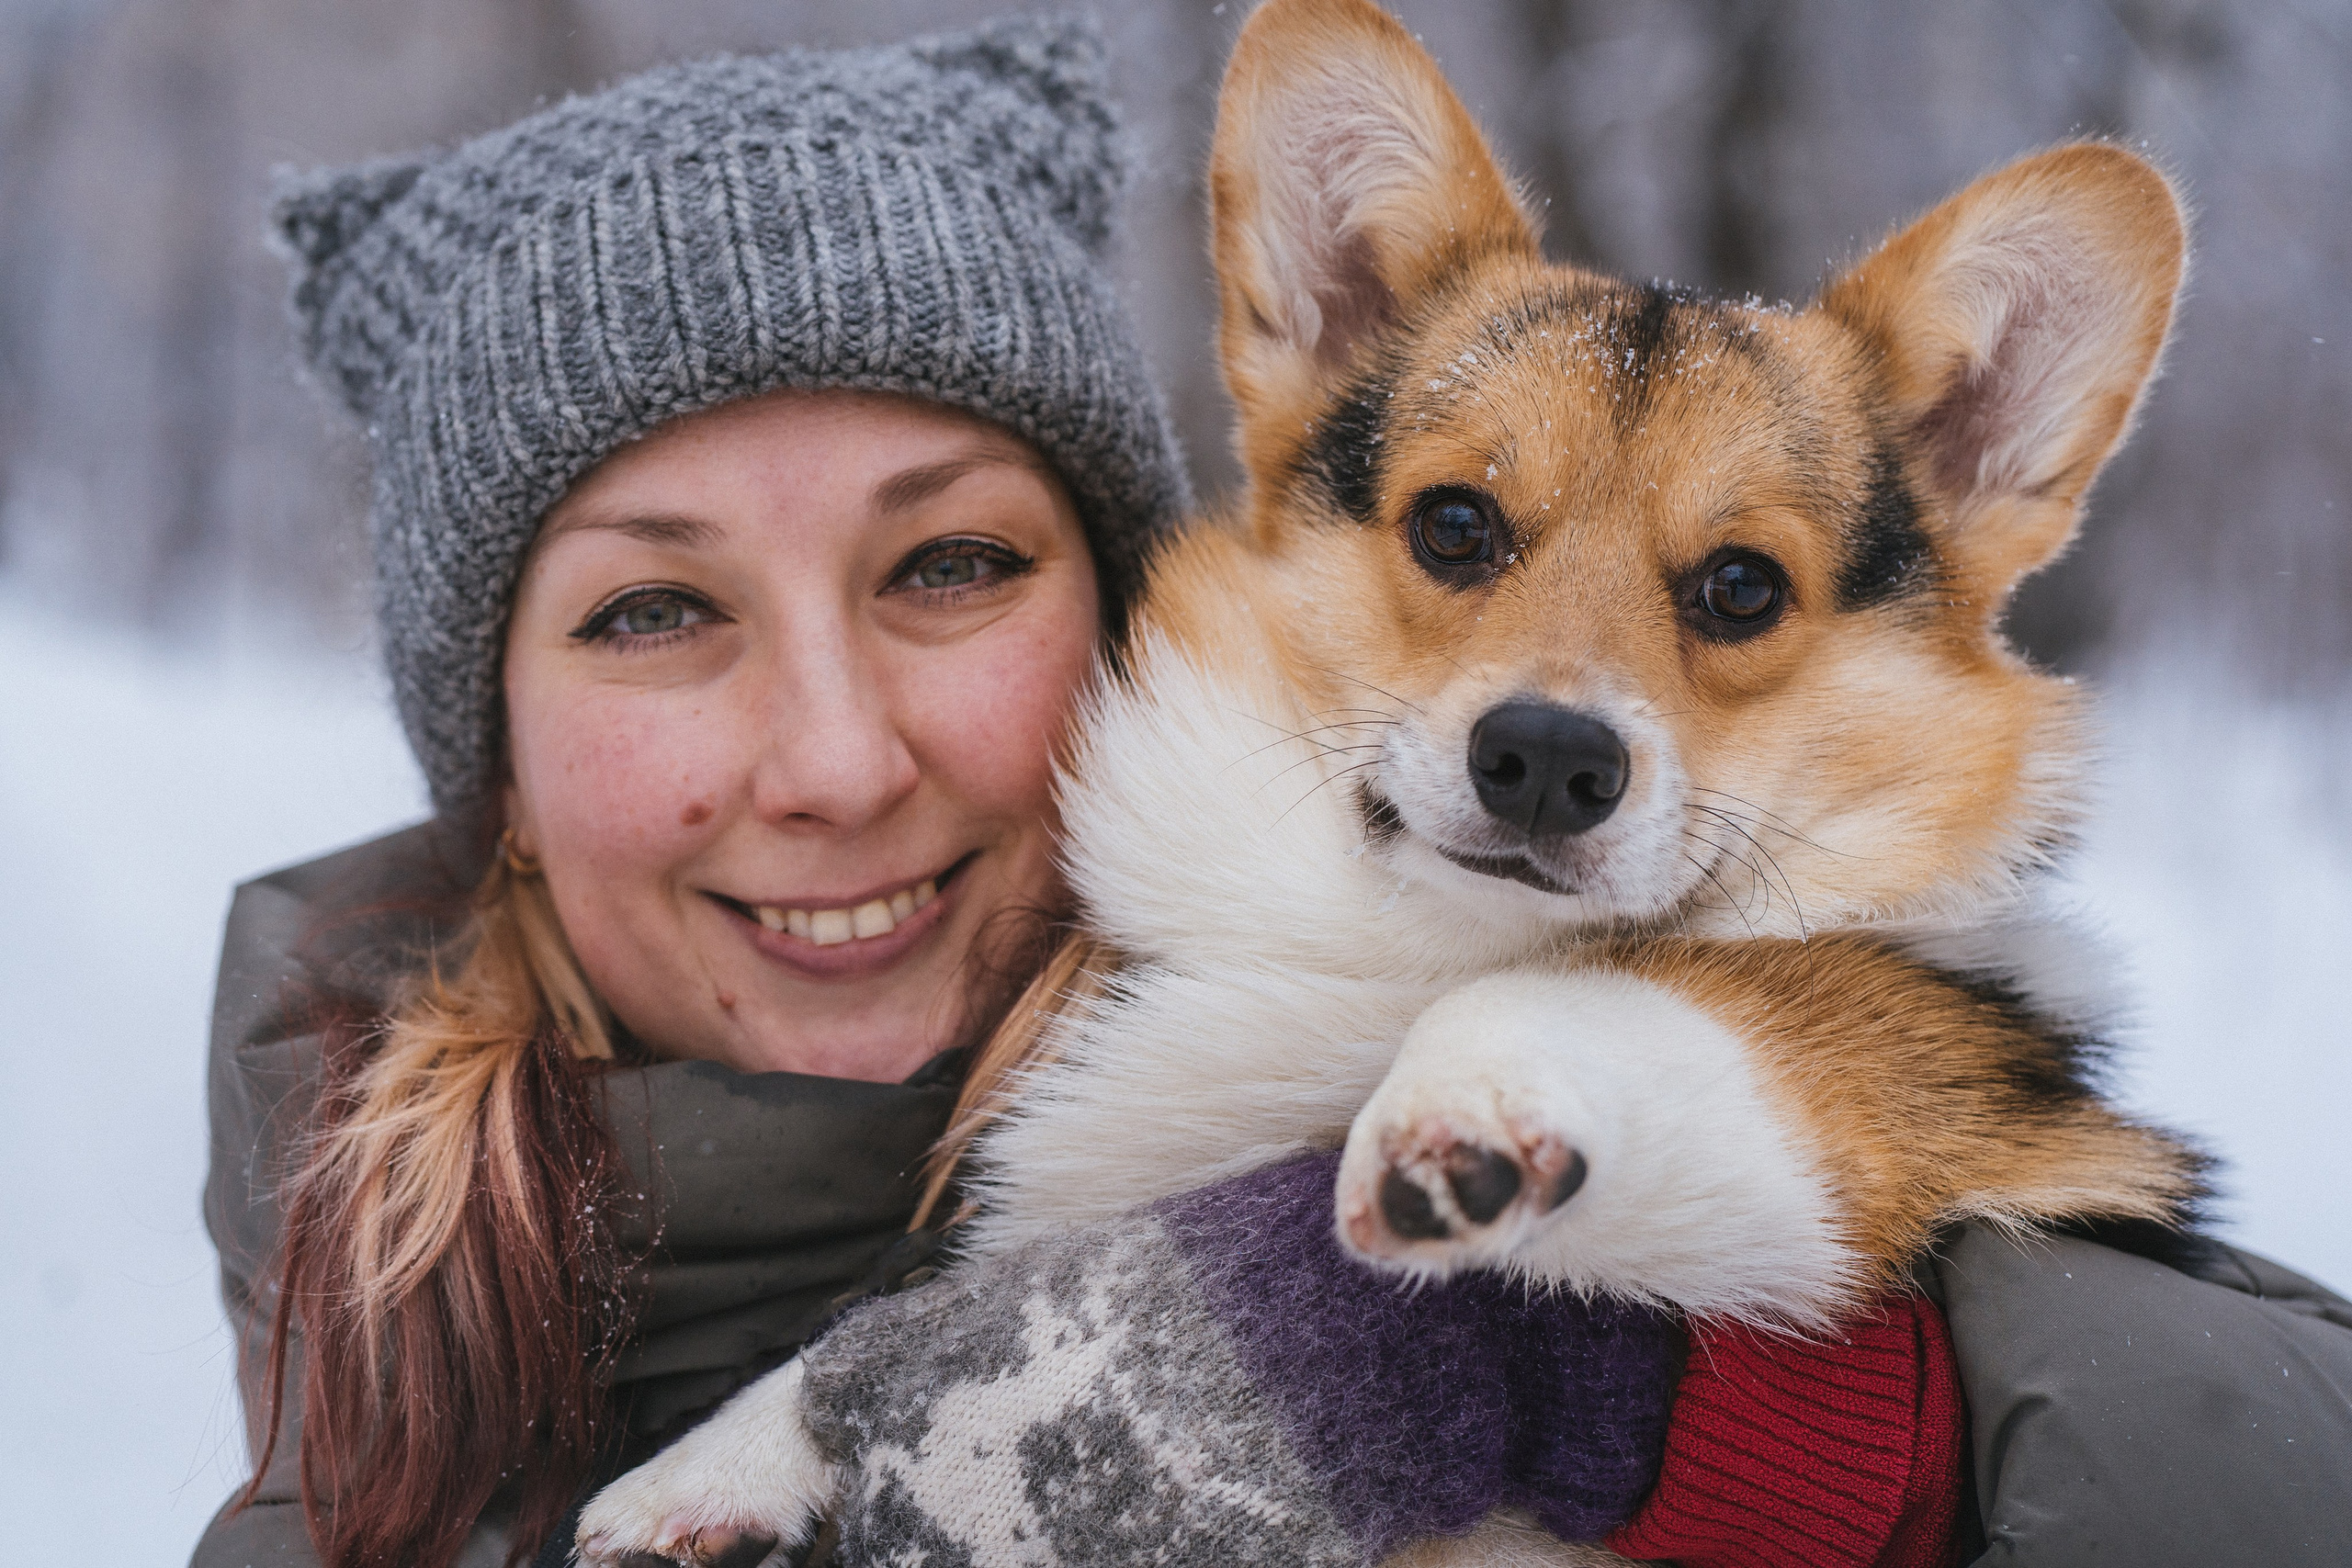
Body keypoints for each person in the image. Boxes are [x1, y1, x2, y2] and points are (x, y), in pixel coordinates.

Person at [196, 16, 2352, 1568]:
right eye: (654, 613)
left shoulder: (1784, 1025)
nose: (835, 757)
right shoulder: (361, 1428)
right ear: (480, 726)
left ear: (1108, 578)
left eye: (1729, 586)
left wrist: (1790, 1426)